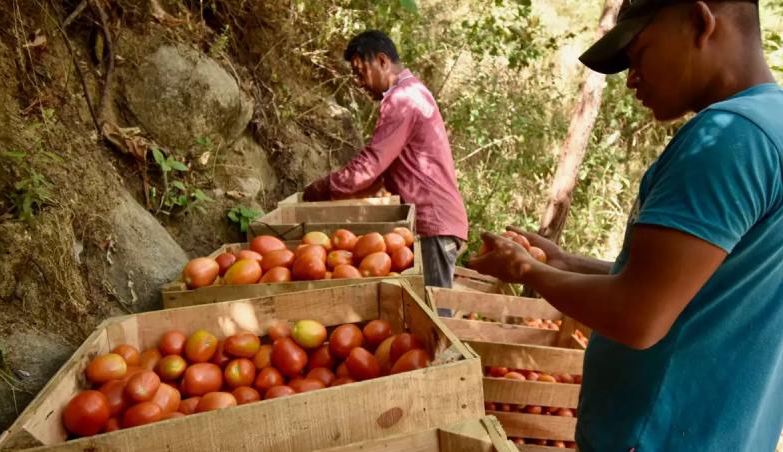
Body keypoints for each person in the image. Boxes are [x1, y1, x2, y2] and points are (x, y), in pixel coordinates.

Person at [469, 1, 783, 450]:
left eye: (639, 54)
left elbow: (639, 315)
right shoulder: (772, 126)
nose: (632, 79)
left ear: (700, 22)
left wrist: (527, 270)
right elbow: (692, 288)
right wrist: (564, 262)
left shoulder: (728, 136)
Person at [303, 30, 468, 289]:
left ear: (382, 61)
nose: (359, 83)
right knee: (425, 307)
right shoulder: (414, 92)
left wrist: (324, 188)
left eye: (360, 72)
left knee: (433, 310)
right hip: (439, 222)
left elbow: (370, 165)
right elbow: (381, 175)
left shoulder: (402, 99)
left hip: (433, 223)